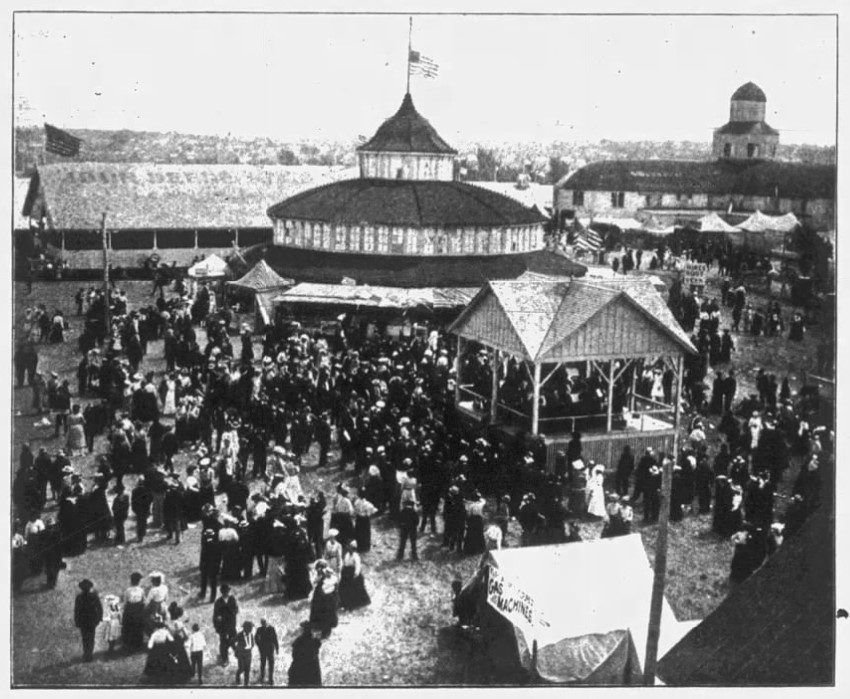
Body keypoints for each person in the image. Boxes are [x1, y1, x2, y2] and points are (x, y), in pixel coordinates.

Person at [74, 578, 103, 662]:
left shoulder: (79, 597)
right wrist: (99, 618)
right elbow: (100, 608)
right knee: (91, 637)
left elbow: (76, 610)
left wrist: (76, 620)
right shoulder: (94, 596)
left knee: (85, 638)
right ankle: (89, 654)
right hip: (92, 621)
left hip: (83, 621)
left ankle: (86, 653)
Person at [309, 561, 339, 639]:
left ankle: (326, 631)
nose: (319, 571)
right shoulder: (320, 577)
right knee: (317, 611)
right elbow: (314, 582)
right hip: (320, 598)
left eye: (320, 569)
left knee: (327, 614)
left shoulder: (330, 578)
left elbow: (330, 589)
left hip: (327, 600)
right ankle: (317, 624)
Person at [338, 541, 371, 610]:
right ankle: (344, 602)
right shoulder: (347, 555)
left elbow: (357, 566)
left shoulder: (356, 556)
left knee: (354, 589)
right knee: (343, 587)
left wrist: (356, 574)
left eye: (350, 547)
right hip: (346, 573)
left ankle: (354, 604)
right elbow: (345, 563)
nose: (348, 548)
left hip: (352, 573)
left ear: (353, 548)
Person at [288, 621, 322, 687]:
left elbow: (294, 655)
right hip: (310, 669)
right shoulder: (314, 641)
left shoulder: (299, 641)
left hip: (302, 668)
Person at [213, 583, 239, 666]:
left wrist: (234, 612)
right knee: (223, 643)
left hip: (231, 624)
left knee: (233, 639)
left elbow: (236, 609)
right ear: (222, 592)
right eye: (225, 592)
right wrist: (218, 622)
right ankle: (225, 658)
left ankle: (236, 652)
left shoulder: (232, 599)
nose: (227, 593)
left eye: (228, 591)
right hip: (223, 626)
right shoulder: (218, 602)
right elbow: (215, 615)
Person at [122, 572, 146, 651]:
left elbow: (125, 602)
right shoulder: (141, 590)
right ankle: (137, 644)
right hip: (138, 609)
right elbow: (144, 601)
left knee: (130, 627)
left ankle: (129, 644)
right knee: (138, 627)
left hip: (130, 609)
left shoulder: (128, 590)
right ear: (139, 581)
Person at [255, 617, 280, 686]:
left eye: (264, 622)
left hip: (270, 649)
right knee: (263, 664)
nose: (263, 624)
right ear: (261, 623)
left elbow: (275, 638)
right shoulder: (259, 629)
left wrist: (277, 648)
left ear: (267, 622)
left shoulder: (271, 628)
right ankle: (262, 677)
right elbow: (256, 638)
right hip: (263, 649)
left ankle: (270, 678)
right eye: (262, 623)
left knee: (271, 664)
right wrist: (259, 645)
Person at [233, 620, 255, 687]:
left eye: (251, 627)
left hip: (248, 654)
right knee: (241, 668)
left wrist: (250, 647)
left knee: (247, 669)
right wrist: (237, 650)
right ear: (245, 628)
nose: (251, 629)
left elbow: (253, 644)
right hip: (241, 654)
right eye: (250, 627)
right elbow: (232, 641)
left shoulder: (251, 635)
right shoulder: (240, 635)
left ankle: (246, 684)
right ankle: (237, 680)